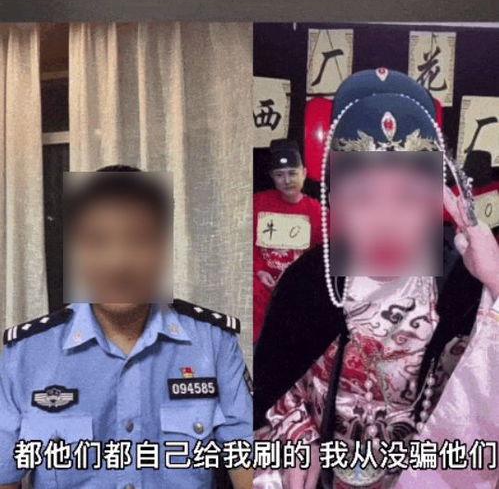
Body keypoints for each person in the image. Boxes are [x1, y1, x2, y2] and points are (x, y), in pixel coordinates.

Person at [253, 69, 499, 488]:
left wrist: (496, 282)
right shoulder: (308, 282)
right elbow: (270, 395)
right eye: (362, 196)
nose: (386, 223)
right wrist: (292, 432)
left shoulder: (464, 282)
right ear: (332, 202)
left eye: (409, 196)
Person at [0, 165, 253, 489]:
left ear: (163, 250)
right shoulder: (26, 355)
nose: (118, 262)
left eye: (138, 240)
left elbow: (250, 467)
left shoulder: (213, 344)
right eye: (98, 241)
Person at [253, 139, 322, 343]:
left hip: (297, 284)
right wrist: (259, 269)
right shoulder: (257, 202)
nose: (287, 180)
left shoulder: (317, 212)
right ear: (272, 177)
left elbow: (323, 256)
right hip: (260, 281)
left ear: (304, 173)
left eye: (292, 173)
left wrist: (296, 276)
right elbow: (243, 244)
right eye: (279, 175)